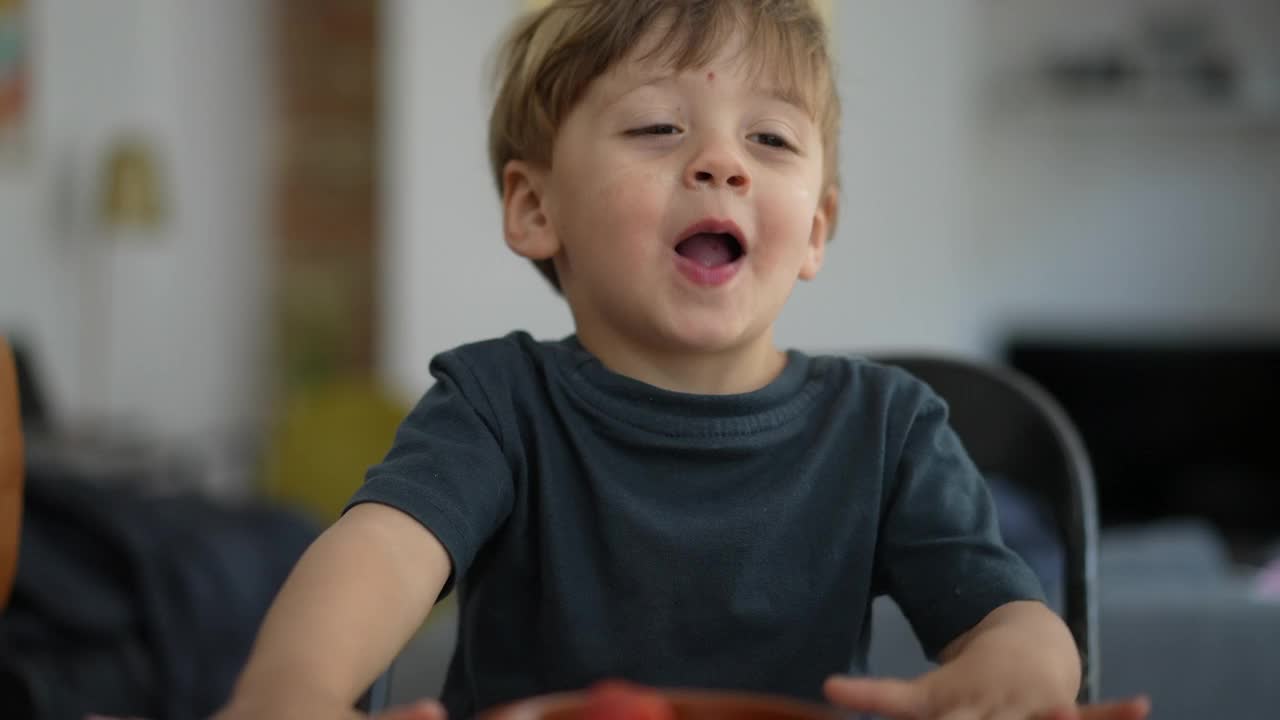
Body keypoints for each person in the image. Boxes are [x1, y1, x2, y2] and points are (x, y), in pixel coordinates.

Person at [217, 2, 1150, 719]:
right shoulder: (496, 404)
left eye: (770, 138)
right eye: (660, 127)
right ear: (536, 207)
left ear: (816, 229)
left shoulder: (888, 430)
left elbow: (1007, 616)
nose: (721, 163)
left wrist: (1020, 671)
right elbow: (378, 553)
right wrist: (293, 690)